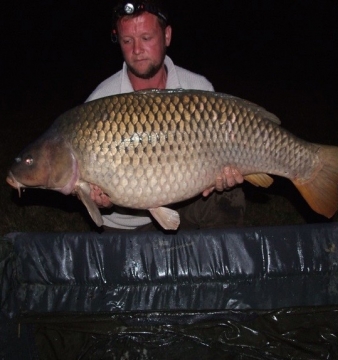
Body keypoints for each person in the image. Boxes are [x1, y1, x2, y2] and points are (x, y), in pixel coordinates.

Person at [86, 0, 245, 231]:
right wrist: (97, 199)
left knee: (230, 196)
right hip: (128, 223)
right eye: (127, 41)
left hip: (185, 201)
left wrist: (223, 174)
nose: (137, 50)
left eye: (146, 38)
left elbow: (223, 154)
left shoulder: (197, 87)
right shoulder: (100, 102)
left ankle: (216, 265)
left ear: (167, 36)